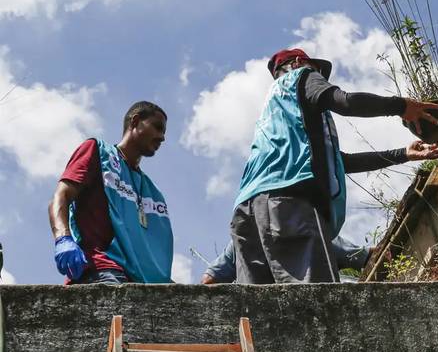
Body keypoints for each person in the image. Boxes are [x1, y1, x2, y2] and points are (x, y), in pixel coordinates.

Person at [232, 48, 438, 284]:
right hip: (287, 205)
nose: (319, 77)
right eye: (317, 70)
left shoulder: (275, 113)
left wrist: (402, 153)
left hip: (246, 213)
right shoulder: (301, 76)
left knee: (256, 312)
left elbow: (340, 162)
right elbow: (346, 102)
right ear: (299, 62)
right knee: (317, 301)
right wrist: (401, 107)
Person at [48, 101, 173, 284]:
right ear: (136, 121)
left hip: (140, 281)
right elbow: (62, 196)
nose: (162, 137)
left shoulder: (152, 192)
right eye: (157, 127)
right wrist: (63, 238)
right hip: (102, 269)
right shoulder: (97, 152)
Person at [201, 236, 371, 284]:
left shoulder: (241, 239)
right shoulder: (295, 219)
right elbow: (342, 250)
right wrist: (365, 255)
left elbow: (209, 280)